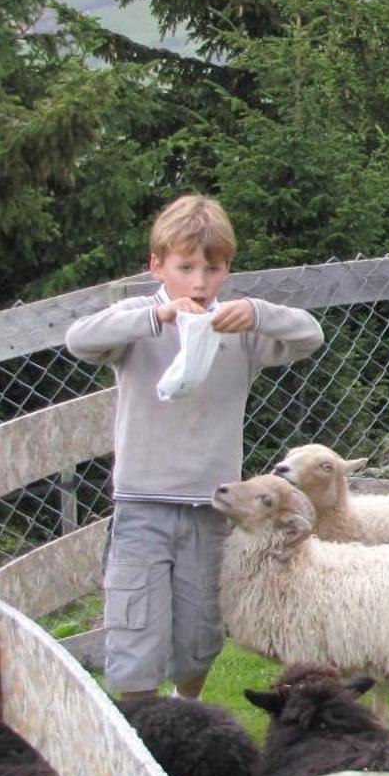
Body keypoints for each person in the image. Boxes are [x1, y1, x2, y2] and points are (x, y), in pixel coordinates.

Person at [64, 194, 324, 700]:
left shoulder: (238, 329)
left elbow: (308, 336)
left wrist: (256, 312)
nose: (200, 283)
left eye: (213, 268)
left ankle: (189, 714)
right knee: (137, 628)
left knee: (200, 630)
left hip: (210, 509)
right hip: (141, 507)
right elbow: (80, 338)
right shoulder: (140, 321)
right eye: (185, 267)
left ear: (228, 270)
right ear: (157, 266)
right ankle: (142, 734)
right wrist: (158, 316)